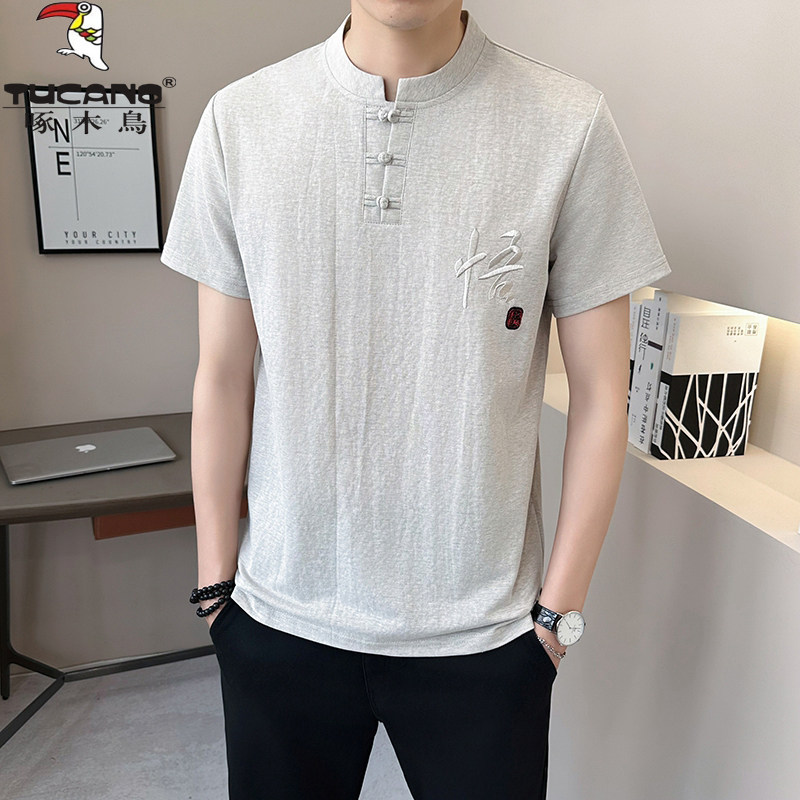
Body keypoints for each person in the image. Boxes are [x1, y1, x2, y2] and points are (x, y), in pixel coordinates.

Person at [160, 2, 672, 798]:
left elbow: (606, 394)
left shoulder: (567, 124)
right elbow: (224, 375)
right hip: (277, 616)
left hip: (487, 637)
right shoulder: (242, 120)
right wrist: (214, 589)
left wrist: (555, 616)